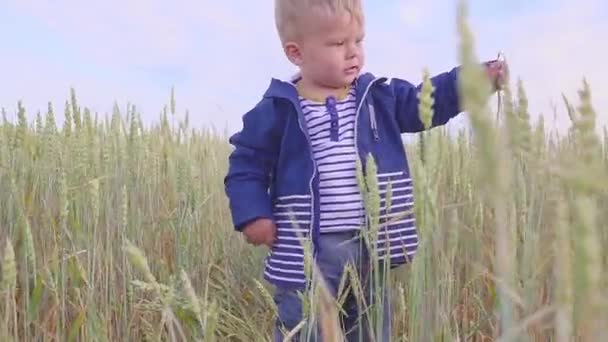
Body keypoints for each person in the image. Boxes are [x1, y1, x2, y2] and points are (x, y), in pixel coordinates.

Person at [223, 0, 507, 340]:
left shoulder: (378, 97)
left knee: (371, 327)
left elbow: (425, 102)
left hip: (373, 248)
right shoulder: (279, 107)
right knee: (304, 327)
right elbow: (246, 162)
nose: (353, 52)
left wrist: (473, 81)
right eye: (338, 44)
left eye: (358, 40)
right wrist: (254, 213)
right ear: (296, 53)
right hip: (307, 255)